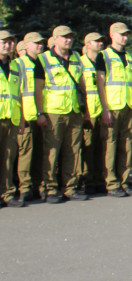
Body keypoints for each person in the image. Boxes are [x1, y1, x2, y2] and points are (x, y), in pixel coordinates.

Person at [35, 26, 89, 203]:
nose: (69, 40)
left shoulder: (76, 58)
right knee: (52, 152)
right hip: (53, 112)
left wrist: (84, 110)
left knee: (73, 151)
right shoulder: (43, 59)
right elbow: (38, 89)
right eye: (65, 37)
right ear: (55, 39)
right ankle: (50, 189)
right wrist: (40, 112)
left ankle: (70, 187)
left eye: (71, 37)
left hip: (73, 111)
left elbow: (82, 86)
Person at [101, 22, 132, 197]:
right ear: (113, 35)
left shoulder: (131, 57)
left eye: (127, 34)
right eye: (122, 34)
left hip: (129, 105)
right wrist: (105, 108)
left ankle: (124, 181)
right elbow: (100, 84)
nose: (125, 37)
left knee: (127, 145)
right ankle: (111, 182)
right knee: (110, 145)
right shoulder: (104, 56)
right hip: (113, 106)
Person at [12, 32, 44, 203]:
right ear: (27, 45)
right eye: (36, 43)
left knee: (39, 154)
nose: (40, 45)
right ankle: (24, 188)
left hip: (40, 114)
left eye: (41, 43)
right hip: (26, 114)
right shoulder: (19, 64)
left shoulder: (41, 62)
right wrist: (22, 117)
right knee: (25, 154)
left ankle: (38, 186)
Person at [79, 32, 111, 194]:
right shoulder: (81, 62)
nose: (100, 44)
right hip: (89, 111)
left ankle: (99, 179)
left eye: (102, 41)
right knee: (88, 147)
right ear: (87, 44)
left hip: (102, 109)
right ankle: (88, 180)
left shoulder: (104, 61)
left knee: (102, 146)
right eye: (96, 41)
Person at [0, 30, 22, 207]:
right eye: (4, 42)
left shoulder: (15, 66)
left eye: (10, 42)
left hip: (11, 117)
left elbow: (18, 94)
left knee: (9, 157)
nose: (8, 45)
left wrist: (21, 119)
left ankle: (8, 193)